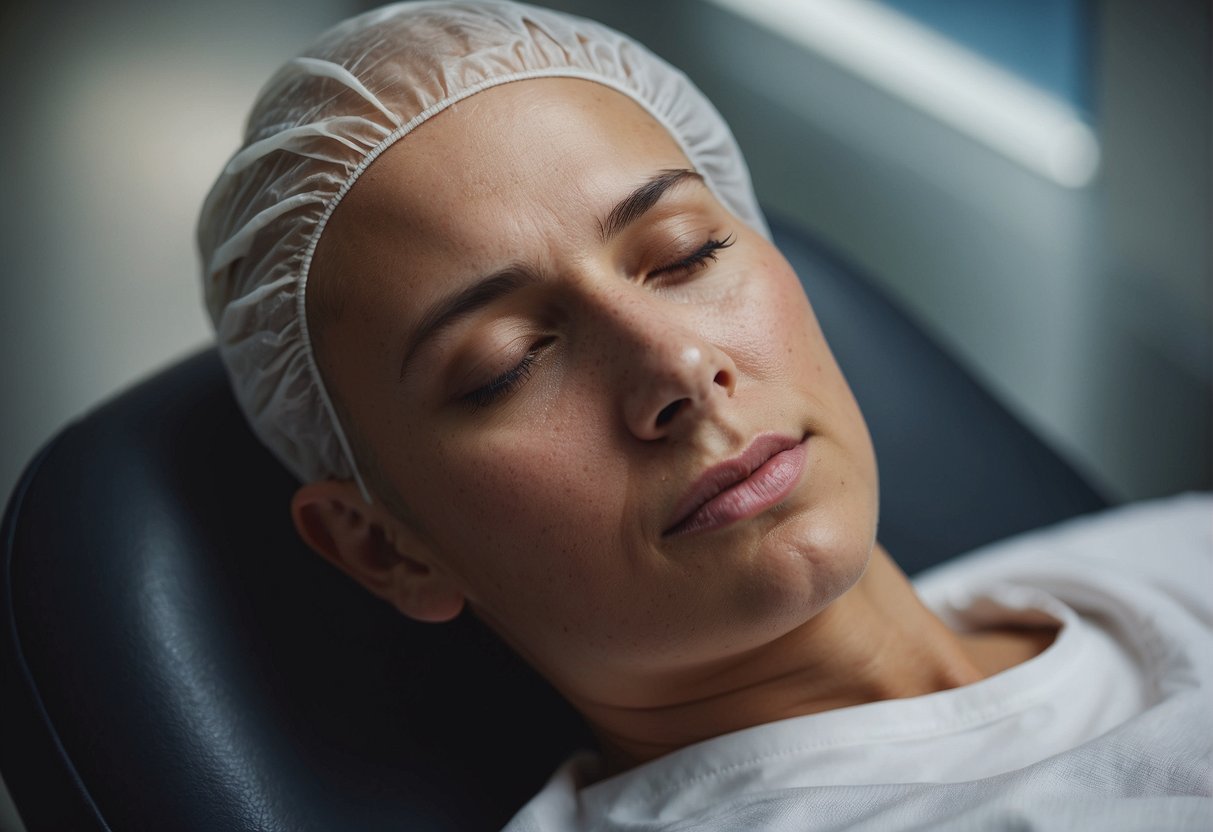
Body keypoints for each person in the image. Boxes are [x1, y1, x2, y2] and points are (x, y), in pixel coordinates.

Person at [197, 2, 1212, 829]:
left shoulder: (1166, 556)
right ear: (386, 548)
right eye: (504, 366)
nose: (678, 365)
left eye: (686, 253)